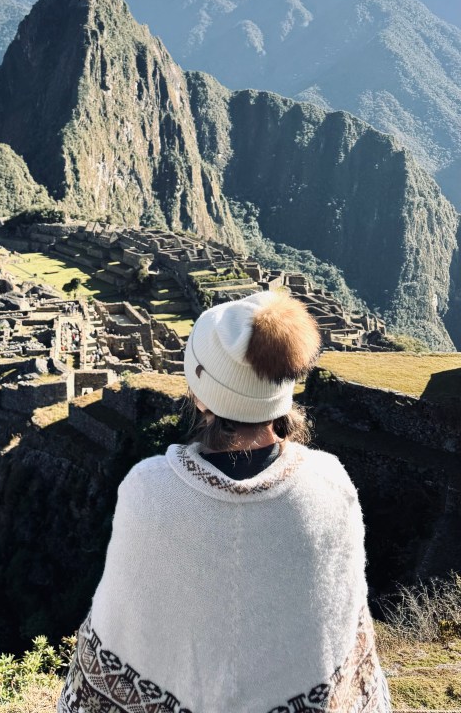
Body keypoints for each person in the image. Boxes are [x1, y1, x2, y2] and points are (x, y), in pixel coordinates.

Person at [57, 290, 391, 713]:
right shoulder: (331, 485)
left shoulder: (148, 490)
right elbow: (341, 639)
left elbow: (122, 631)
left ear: (200, 393)